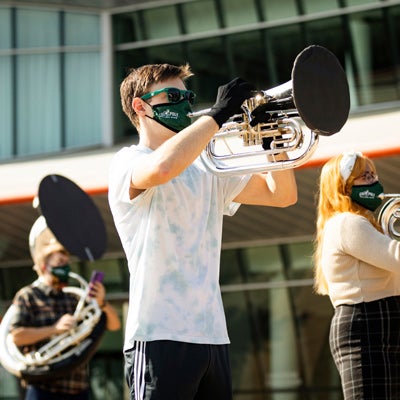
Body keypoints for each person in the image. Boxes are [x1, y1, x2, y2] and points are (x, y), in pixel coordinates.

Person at [108, 63, 297, 400]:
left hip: (212, 335)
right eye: (174, 96)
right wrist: (219, 114)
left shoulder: (206, 165)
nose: (184, 104)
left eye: (188, 96)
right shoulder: (128, 160)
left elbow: (281, 195)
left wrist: (272, 140)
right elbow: (164, 167)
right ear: (141, 106)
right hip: (158, 333)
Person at [313, 151, 400, 399]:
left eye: (373, 174)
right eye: (364, 176)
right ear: (343, 187)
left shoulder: (362, 223)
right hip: (367, 322)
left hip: (378, 320)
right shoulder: (347, 223)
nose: (374, 181)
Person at [9, 216, 121, 400]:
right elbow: (17, 336)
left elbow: (114, 325)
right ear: (44, 266)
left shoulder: (74, 297)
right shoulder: (29, 295)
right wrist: (54, 329)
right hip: (43, 389)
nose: (66, 268)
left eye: (66, 263)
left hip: (78, 388)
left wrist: (102, 303)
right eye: (60, 264)